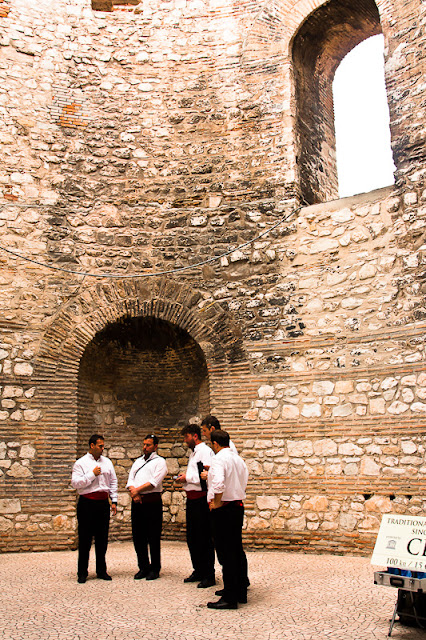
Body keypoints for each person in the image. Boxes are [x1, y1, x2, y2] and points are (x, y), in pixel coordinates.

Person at [206, 429, 249, 610]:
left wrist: (216, 503)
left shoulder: (218, 459)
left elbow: (218, 484)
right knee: (236, 550)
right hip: (237, 506)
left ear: (215, 444)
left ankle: (230, 597)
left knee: (226, 553)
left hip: (224, 509)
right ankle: (240, 591)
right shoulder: (238, 460)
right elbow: (244, 481)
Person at [71, 433, 118, 584]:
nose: (103, 449)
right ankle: (82, 572)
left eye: (103, 446)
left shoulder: (107, 462)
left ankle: (101, 570)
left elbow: (113, 481)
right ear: (92, 446)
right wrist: (92, 474)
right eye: (100, 446)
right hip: (87, 503)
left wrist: (114, 500)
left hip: (102, 504)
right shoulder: (80, 463)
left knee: (102, 539)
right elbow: (76, 483)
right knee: (85, 539)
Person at [175, 423, 215, 588]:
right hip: (192, 499)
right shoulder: (194, 453)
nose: (185, 441)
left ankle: (208, 574)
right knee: (192, 537)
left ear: (195, 436)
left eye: (187, 437)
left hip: (201, 499)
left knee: (204, 537)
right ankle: (198, 569)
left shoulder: (204, 451)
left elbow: (206, 474)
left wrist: (187, 477)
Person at [126, 434, 168, 581]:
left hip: (152, 502)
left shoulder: (160, 462)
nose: (145, 447)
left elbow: (154, 482)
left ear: (155, 447)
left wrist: (138, 490)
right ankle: (143, 566)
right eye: (144, 444)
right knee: (138, 536)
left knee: (153, 536)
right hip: (137, 501)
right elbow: (130, 479)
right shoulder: (137, 462)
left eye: (148, 445)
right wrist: (134, 492)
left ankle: (155, 568)